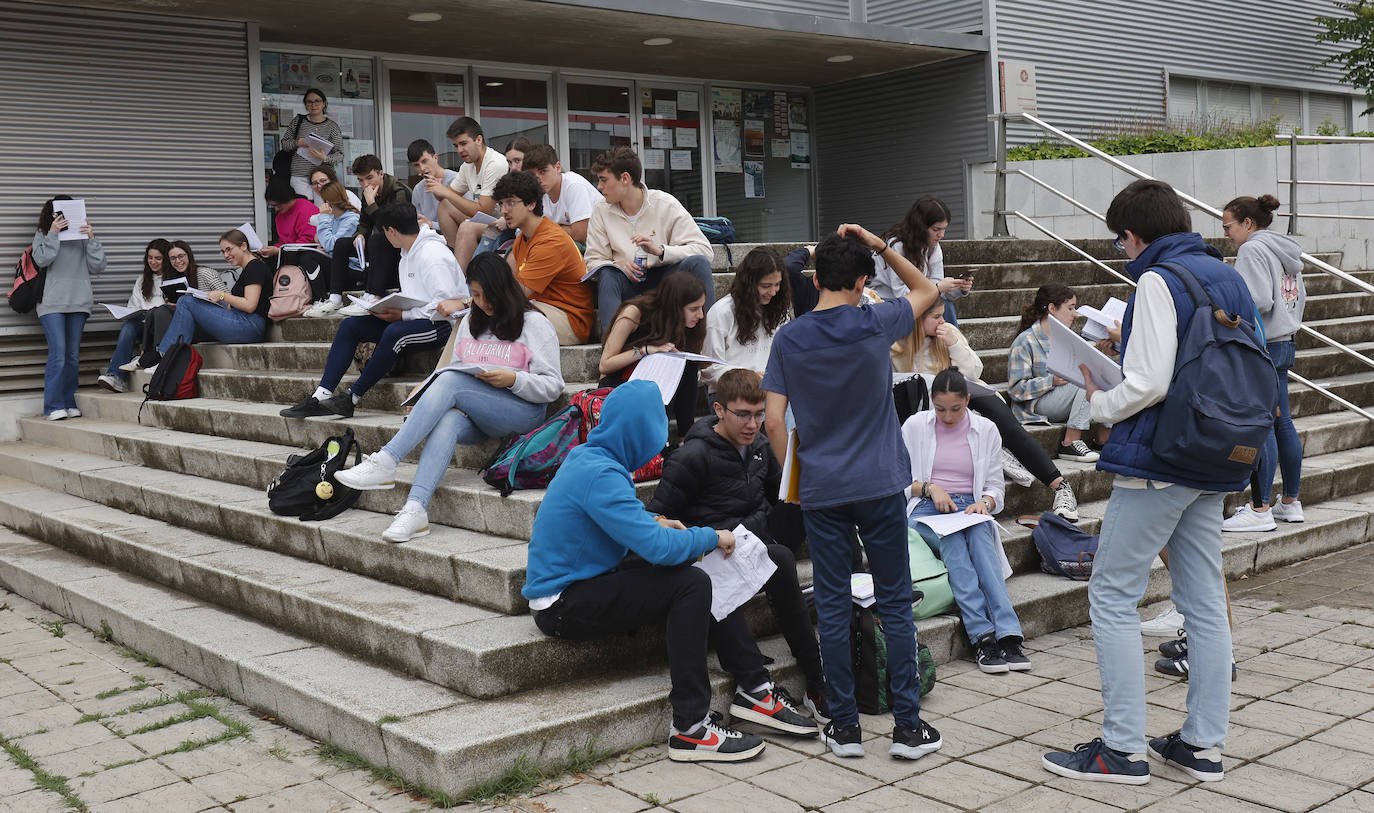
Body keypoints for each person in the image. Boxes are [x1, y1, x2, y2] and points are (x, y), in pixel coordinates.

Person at [1041, 179, 1253, 785]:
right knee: (1204, 601)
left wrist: (1098, 403)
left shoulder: (1159, 280)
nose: (1121, 251)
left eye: (1120, 241)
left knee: (1111, 595)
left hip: (1161, 460)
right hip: (1217, 453)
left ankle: (1121, 748)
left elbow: (1151, 382)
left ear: (1133, 236)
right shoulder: (1224, 273)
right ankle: (1202, 745)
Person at [523, 380, 817, 763]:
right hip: (563, 602)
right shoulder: (601, 473)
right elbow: (657, 550)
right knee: (692, 582)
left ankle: (755, 689)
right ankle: (690, 728)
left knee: (698, 568)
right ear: (639, 430)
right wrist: (710, 536)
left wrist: (659, 522)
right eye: (656, 426)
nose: (660, 436)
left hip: (588, 578)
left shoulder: (594, 459)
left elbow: (623, 527)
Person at [761, 224, 943, 760]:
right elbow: (928, 289)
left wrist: (793, 474)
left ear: (815, 278)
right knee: (894, 602)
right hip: (881, 482)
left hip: (821, 486)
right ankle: (908, 728)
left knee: (834, 605)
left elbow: (774, 421)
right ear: (864, 281)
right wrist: (877, 242)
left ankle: (844, 727)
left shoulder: (789, 337)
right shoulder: (873, 319)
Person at [335, 253, 564, 542]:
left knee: (451, 381)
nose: (481, 302)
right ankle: (416, 509)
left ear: (504, 288)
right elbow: (458, 367)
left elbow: (553, 386)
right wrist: (428, 391)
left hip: (523, 412)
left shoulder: (534, 323)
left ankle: (387, 460)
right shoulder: (472, 321)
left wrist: (513, 378)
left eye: (486, 294)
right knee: (448, 418)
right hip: (478, 413)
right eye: (475, 294)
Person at [646, 368, 827, 717]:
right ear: (719, 410)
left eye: (759, 415)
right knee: (782, 558)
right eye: (743, 415)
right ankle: (761, 687)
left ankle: (817, 678)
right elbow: (657, 518)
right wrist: (704, 540)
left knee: (811, 513)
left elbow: (781, 494)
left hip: (755, 540)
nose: (752, 424)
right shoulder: (691, 457)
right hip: (714, 552)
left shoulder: (759, 445)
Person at [894, 300, 1080, 520]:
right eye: (936, 317)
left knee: (1005, 421)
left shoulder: (949, 333)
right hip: (932, 407)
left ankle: (1059, 485)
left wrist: (954, 344)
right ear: (917, 319)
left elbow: (974, 371)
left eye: (943, 315)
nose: (943, 321)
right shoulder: (896, 346)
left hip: (965, 392)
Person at [280, 203, 466, 419]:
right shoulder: (407, 251)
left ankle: (351, 397)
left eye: (384, 232)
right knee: (351, 326)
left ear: (391, 231)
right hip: (412, 317)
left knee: (394, 333)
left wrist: (403, 315)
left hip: (440, 326)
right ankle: (320, 396)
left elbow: (447, 307)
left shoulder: (433, 255)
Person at [901, 368, 1029, 674]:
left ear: (968, 400)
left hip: (969, 508)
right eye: (940, 408)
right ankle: (983, 637)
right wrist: (933, 489)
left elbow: (996, 487)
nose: (947, 416)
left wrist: (984, 503)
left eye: (956, 409)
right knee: (954, 543)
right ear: (931, 402)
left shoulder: (986, 430)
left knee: (982, 540)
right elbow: (900, 482)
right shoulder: (916, 425)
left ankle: (1009, 635)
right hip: (925, 507)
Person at [1220, 194, 1306, 532]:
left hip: (1264, 346)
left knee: (1264, 424)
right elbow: (1297, 297)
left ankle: (1259, 509)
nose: (1225, 232)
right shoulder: (1284, 249)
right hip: (1284, 342)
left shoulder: (1252, 249)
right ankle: (1291, 502)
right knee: (1282, 423)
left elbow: (1256, 300)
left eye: (1228, 226)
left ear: (1247, 223)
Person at [585, 146, 714, 334]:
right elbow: (592, 261)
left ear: (625, 178)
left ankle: (706, 340)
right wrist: (616, 264)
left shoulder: (665, 203)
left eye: (604, 180)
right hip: (628, 283)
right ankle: (612, 351)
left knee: (698, 263)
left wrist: (661, 251)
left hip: (665, 280)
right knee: (607, 274)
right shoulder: (601, 210)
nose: (599, 187)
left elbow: (705, 250)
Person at [598, 270, 707, 442]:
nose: (700, 315)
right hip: (620, 383)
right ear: (674, 306)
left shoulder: (686, 324)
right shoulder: (634, 312)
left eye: (701, 307)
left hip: (655, 382)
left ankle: (685, 439)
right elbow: (605, 365)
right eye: (694, 309)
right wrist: (644, 350)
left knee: (688, 366)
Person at [141, 228, 272, 369]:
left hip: (250, 326)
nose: (226, 255)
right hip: (241, 321)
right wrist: (206, 300)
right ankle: (166, 357)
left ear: (244, 246)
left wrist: (222, 295)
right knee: (184, 304)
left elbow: (250, 305)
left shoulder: (255, 267)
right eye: (223, 252)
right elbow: (231, 306)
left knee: (186, 301)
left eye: (229, 249)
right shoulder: (248, 269)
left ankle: (164, 356)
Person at [491, 170, 595, 345]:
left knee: (497, 315)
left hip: (569, 319)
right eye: (501, 204)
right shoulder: (523, 238)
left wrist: (474, 301)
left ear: (531, 204)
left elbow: (517, 293)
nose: (504, 211)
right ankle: (448, 371)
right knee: (472, 317)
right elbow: (507, 283)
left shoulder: (549, 241)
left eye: (510, 203)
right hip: (538, 308)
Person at [1008, 285, 1107, 462]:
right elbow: (1016, 390)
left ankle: (1103, 439)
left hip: (1064, 398)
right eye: (1070, 308)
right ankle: (1070, 442)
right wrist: (1051, 381)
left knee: (1103, 373)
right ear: (1052, 308)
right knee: (1088, 377)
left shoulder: (1067, 337)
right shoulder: (1026, 341)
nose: (1075, 314)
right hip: (1038, 404)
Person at [31, 196, 106, 419]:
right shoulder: (44, 234)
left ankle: (68, 401)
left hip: (79, 301)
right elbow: (41, 260)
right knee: (59, 354)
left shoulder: (81, 235)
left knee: (72, 355)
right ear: (52, 214)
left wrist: (91, 238)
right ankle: (52, 406)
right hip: (52, 302)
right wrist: (53, 233)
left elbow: (98, 266)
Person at [701, 247, 791, 399]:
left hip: (771, 391)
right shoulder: (722, 312)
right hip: (731, 394)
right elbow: (709, 368)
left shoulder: (779, 311)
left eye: (777, 284)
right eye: (766, 286)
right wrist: (748, 377)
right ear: (749, 283)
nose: (773, 292)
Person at [871, 197, 968, 325]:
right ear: (920, 227)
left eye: (944, 229)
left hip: (917, 298)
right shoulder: (897, 245)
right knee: (937, 308)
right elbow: (900, 293)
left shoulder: (934, 247)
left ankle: (950, 344)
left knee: (944, 306)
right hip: (885, 300)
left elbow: (936, 289)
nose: (941, 235)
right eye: (936, 229)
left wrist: (959, 288)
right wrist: (938, 289)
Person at [337, 154, 412, 316]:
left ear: (381, 174)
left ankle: (373, 295)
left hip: (399, 246)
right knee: (342, 244)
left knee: (377, 239)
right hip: (380, 246)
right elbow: (364, 223)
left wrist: (371, 203)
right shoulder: (368, 192)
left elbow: (392, 228)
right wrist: (360, 235)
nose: (366, 184)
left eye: (369, 178)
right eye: (361, 180)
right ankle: (334, 298)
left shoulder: (398, 191)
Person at [97, 238, 171, 393]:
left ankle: (129, 365)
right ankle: (115, 376)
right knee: (129, 326)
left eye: (158, 258)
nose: (153, 262)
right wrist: (122, 313)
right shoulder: (142, 280)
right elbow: (133, 307)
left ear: (166, 259)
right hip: (143, 322)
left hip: (163, 324)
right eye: (150, 258)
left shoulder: (172, 279)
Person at [431, 117, 509, 249]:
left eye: (463, 144)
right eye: (456, 146)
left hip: (505, 224)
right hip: (486, 221)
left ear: (479, 140)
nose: (459, 150)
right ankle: (453, 252)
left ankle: (460, 267)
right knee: (444, 205)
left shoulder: (495, 163)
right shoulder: (467, 166)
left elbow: (484, 210)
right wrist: (436, 188)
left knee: (467, 227)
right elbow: (444, 197)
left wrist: (446, 193)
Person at [301, 182, 363, 317]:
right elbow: (327, 243)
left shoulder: (352, 218)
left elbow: (332, 245)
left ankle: (322, 298)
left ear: (329, 202)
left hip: (352, 269)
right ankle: (321, 299)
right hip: (338, 265)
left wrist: (323, 218)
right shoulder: (334, 218)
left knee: (308, 257)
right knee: (305, 256)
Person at [521, 144, 602, 245]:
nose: (538, 179)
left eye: (543, 171)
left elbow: (580, 234)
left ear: (558, 167)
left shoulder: (574, 185)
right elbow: (531, 229)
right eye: (532, 175)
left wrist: (549, 229)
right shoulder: (538, 192)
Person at [279, 88, 345, 202]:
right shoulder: (298, 121)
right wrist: (297, 143)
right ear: (305, 105)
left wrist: (325, 158)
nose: (313, 105)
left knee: (322, 212)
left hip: (323, 177)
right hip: (299, 176)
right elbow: (285, 144)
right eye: (309, 102)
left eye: (317, 101)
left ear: (324, 103)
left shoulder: (332, 127)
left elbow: (340, 154)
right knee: (304, 210)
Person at [259, 178, 319, 270]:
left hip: (306, 254)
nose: (276, 209)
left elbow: (308, 242)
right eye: (273, 206)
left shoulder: (306, 209)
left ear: (287, 198)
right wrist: (272, 249)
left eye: (277, 205)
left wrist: (279, 250)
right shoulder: (280, 217)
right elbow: (283, 242)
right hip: (290, 253)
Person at [406, 139, 459, 232]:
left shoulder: (456, 180)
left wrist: (431, 224)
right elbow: (419, 222)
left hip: (455, 237)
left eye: (424, 161)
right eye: (416, 165)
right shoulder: (418, 189)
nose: (422, 168)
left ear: (435, 158)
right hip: (428, 238)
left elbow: (468, 219)